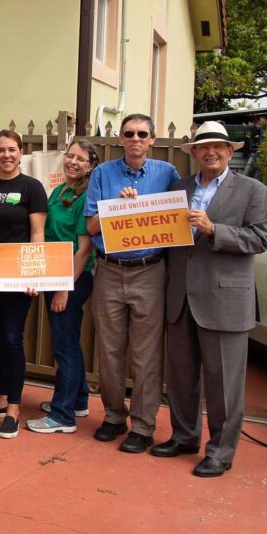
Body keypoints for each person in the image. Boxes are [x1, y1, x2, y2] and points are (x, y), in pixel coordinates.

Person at [150, 122, 267, 477]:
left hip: (225, 300)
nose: (211, 152)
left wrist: (214, 229)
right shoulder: (179, 187)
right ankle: (184, 436)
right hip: (180, 297)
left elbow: (260, 239)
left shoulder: (252, 191)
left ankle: (220, 450)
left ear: (230, 152)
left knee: (224, 383)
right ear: (194, 154)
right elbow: (154, 227)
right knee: (181, 376)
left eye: (218, 147)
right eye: (204, 148)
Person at [84, 113, 181, 453]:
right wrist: (116, 209)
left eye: (142, 133)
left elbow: (177, 221)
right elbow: (92, 227)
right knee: (109, 352)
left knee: (146, 355)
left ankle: (143, 425)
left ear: (153, 139)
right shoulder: (102, 173)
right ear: (120, 138)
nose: (135, 139)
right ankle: (113, 416)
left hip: (150, 271)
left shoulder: (167, 174)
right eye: (129, 133)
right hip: (109, 270)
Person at [0, 130, 47, 439]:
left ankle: (14, 408)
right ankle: (2, 399)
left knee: (13, 337)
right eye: (1, 149)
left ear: (21, 153)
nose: (6, 155)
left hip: (17, 272)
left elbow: (37, 234)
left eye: (12, 149)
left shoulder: (32, 187)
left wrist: (33, 274)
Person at [28, 140, 100, 434]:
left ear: (91, 165)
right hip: (53, 272)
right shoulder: (60, 191)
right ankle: (78, 400)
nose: (72, 162)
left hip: (72, 277)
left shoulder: (87, 197)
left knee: (64, 344)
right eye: (69, 156)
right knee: (68, 338)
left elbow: (83, 250)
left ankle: (62, 416)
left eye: (80, 159)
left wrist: (63, 288)